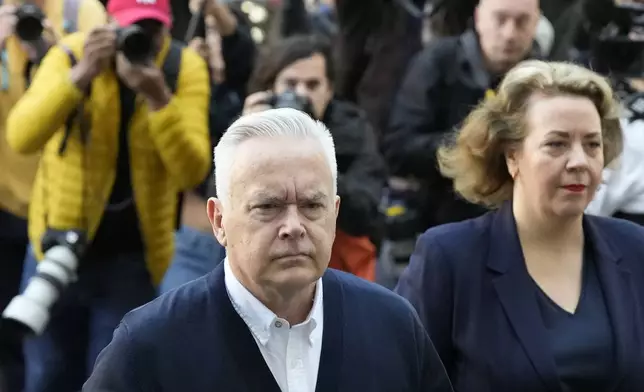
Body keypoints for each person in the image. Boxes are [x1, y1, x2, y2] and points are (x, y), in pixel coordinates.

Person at [83, 108, 453, 392]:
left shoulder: (392, 325)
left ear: (335, 213)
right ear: (219, 220)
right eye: (268, 206)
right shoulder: (150, 346)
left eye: (312, 205)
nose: (293, 226)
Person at [395, 60, 644, 392]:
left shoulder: (634, 247)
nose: (579, 161)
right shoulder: (450, 257)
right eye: (556, 144)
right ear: (512, 156)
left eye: (592, 144)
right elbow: (397, 376)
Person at [4, 0, 211, 389]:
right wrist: (80, 76)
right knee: (47, 375)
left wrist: (158, 97)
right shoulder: (72, 53)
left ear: (166, 28)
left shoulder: (182, 68)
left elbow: (192, 170)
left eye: (151, 31)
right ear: (108, 23)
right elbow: (22, 135)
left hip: (132, 259)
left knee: (111, 379)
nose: (139, 40)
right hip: (58, 245)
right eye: (131, 29)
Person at [0, 0, 106, 390]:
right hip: (4, 201)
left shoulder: (80, 11)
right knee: (16, 346)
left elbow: (102, 93)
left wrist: (50, 54)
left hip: (52, 210)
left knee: (56, 355)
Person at [384, 0, 541, 230]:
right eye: (500, 19)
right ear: (478, 18)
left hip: (520, 223)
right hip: (442, 217)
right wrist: (478, 142)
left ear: (537, 23)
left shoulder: (544, 76)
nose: (509, 33)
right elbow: (399, 148)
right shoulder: (437, 62)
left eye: (522, 22)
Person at [243, 34, 387, 281]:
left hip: (338, 275)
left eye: (312, 85)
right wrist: (246, 138)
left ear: (329, 90)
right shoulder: (252, 130)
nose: (301, 94)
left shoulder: (353, 131)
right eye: (290, 84)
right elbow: (224, 205)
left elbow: (363, 214)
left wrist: (312, 152)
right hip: (264, 272)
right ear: (271, 89)